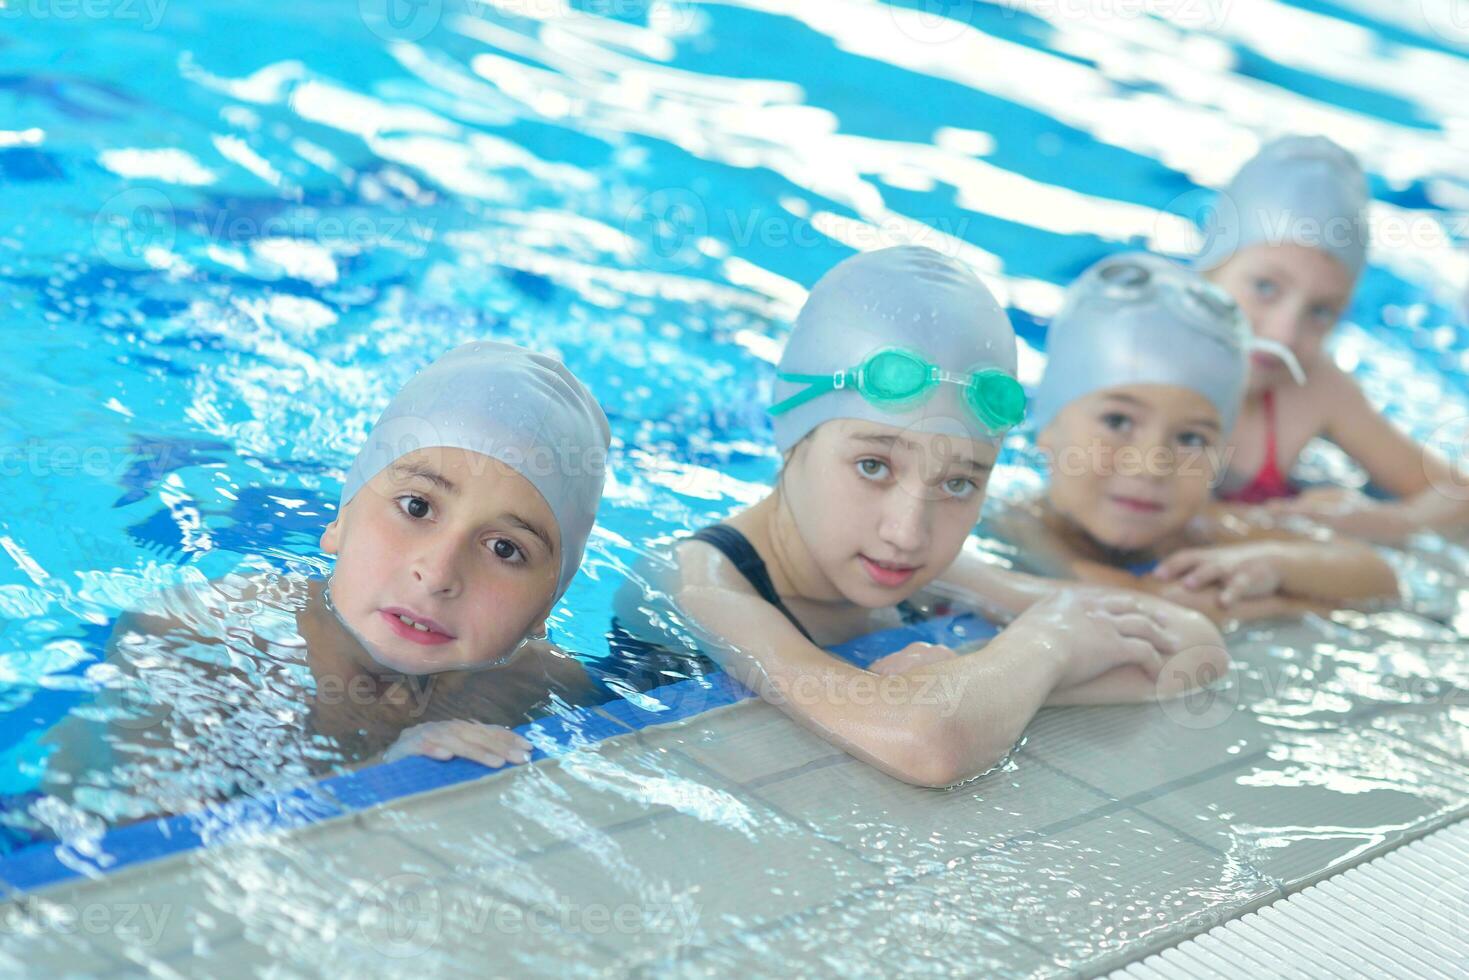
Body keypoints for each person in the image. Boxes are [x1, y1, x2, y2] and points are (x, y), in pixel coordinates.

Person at [617, 246, 1230, 789]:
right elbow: (927, 745)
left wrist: (979, 682)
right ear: (791, 434)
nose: (908, 532)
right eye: (873, 467)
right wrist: (1047, 643)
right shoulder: (695, 580)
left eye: (959, 482)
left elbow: (1195, 646)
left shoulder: (933, 569)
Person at [37, 341, 610, 825]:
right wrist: (374, 788)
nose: (437, 574)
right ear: (339, 521)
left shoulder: (543, 688)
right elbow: (148, 863)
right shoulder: (200, 642)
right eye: (416, 507)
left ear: (547, 604)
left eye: (506, 549)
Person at [987, 251, 1398, 624]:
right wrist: (1283, 605)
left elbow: (1378, 576)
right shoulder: (1023, 524)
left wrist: (1273, 562)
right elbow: (1132, 602)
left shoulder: (1206, 526)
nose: (1152, 465)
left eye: (1190, 439)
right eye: (1117, 422)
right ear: (1048, 428)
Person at [1196, 135, 1468, 540]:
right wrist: (1288, 527)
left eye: (1321, 311)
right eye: (1266, 288)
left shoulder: (1315, 386)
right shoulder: (1140, 365)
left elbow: (1455, 495)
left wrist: (1393, 522)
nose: (1285, 334)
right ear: (1208, 272)